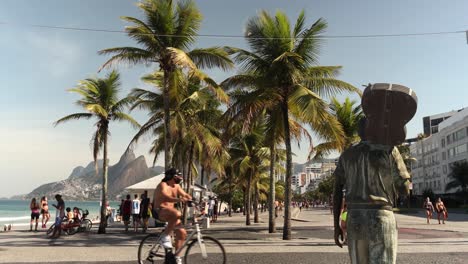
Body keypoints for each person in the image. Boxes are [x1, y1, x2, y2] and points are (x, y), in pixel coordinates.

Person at [153, 168, 192, 264]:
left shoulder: (177, 186)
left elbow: (185, 194)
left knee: (182, 233)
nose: (179, 178)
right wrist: (179, 200)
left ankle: (177, 258)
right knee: (177, 213)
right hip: (160, 211)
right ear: (171, 177)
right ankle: (165, 236)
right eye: (177, 176)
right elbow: (166, 197)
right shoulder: (163, 185)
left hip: (171, 214)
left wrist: (190, 198)